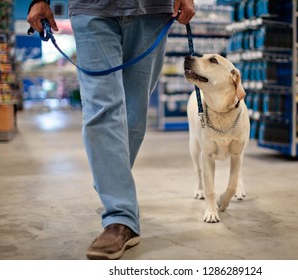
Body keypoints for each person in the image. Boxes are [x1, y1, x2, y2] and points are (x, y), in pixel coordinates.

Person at [27, 0, 195, 260]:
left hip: (151, 10)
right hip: (90, 8)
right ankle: (120, 217)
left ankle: (111, 180)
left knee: (134, 113)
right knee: (102, 109)